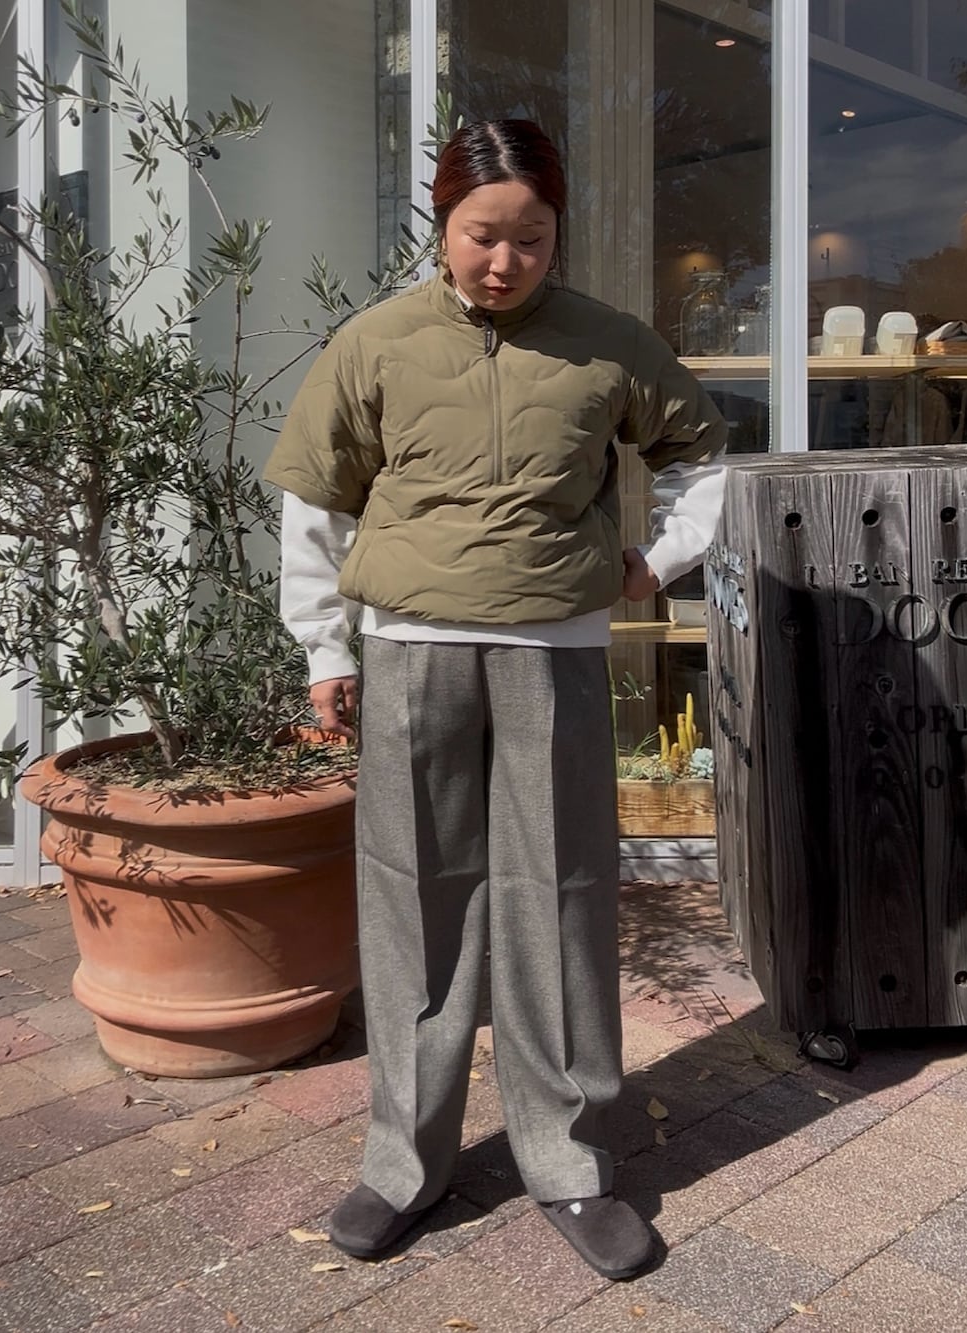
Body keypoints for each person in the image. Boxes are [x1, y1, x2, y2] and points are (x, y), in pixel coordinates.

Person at [264, 119, 727, 1281]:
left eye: (530, 238)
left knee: (559, 897)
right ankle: (402, 1164)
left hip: (550, 650)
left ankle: (569, 1162)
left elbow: (701, 458)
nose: (504, 261)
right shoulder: (376, 343)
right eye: (482, 235)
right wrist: (323, 650)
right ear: (442, 225)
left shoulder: (608, 344)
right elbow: (314, 501)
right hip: (410, 647)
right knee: (410, 897)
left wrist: (654, 563)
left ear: (557, 234)